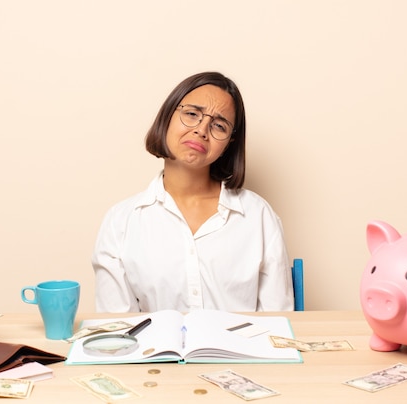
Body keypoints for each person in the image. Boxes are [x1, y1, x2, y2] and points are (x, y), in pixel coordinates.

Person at [92, 72, 293, 312]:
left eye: (219, 125)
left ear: (229, 142)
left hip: (243, 350)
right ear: (167, 117)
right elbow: (119, 331)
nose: (201, 130)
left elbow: (278, 322)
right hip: (155, 350)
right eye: (191, 114)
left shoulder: (258, 216)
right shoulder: (120, 221)